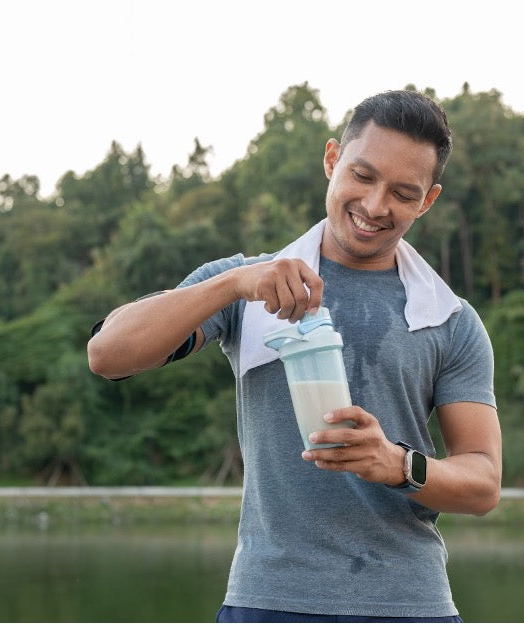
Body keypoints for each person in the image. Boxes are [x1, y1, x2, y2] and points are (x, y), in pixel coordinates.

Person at [87, 89, 502, 623]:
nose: (376, 206)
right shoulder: (249, 285)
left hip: (410, 606)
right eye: (363, 176)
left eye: (403, 192)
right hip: (268, 602)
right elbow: (108, 354)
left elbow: (484, 482)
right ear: (332, 160)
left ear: (427, 200)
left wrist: (398, 464)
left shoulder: (448, 317)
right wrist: (232, 284)